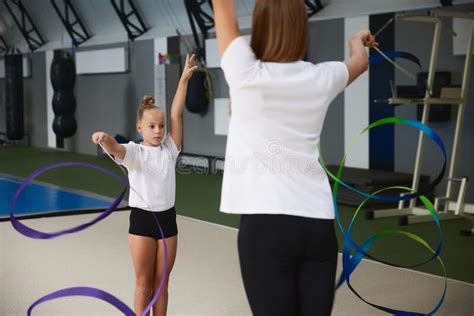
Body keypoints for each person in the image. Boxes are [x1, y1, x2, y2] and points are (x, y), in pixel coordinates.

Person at [212, 1, 377, 315]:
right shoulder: (322, 76)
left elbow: (222, 6)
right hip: (316, 226)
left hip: (265, 227)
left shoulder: (245, 72)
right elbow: (359, 62)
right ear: (302, 28)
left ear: (260, 26)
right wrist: (357, 40)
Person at [91, 54, 197, 316]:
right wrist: (104, 139)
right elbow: (115, 148)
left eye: (161, 126)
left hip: (167, 220)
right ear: (140, 127)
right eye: (152, 126)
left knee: (162, 284)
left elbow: (176, 112)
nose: (159, 130)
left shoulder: (170, 150)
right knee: (143, 283)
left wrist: (183, 78)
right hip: (142, 221)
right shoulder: (134, 152)